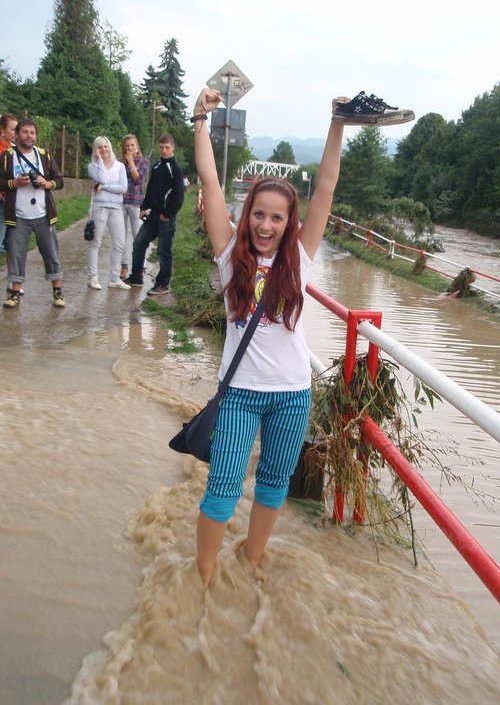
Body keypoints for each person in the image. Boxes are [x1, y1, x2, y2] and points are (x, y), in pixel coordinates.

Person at [192, 88, 346, 588]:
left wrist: (337, 121)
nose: (265, 224)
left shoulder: (298, 260)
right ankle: (204, 579)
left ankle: (252, 564)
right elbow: (210, 180)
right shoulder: (227, 253)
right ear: (246, 215)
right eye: (258, 214)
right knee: (221, 489)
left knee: (275, 485)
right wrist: (199, 118)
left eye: (277, 217)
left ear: (289, 223)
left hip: (292, 395)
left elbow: (324, 189)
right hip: (238, 395)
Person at [0, 118, 65, 308]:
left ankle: (58, 291)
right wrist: (14, 183)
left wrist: (48, 183)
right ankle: (15, 293)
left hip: (43, 214)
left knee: (51, 253)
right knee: (17, 254)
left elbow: (59, 180)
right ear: (18, 134)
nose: (29, 136)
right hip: (18, 215)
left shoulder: (43, 155)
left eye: (32, 133)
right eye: (25, 132)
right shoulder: (7, 156)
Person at [123, 134, 185, 295]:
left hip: (166, 218)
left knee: (164, 252)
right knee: (139, 243)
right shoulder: (157, 166)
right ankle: (136, 277)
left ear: (172, 147)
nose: (164, 150)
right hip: (152, 216)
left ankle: (163, 284)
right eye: (161, 147)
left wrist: (168, 214)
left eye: (167, 147)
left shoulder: (176, 169)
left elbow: (179, 196)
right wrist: (144, 207)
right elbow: (150, 190)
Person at [87, 136, 130, 290]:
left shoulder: (120, 166)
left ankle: (114, 278)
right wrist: (99, 161)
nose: (104, 150)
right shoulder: (92, 166)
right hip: (99, 207)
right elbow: (103, 178)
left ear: (110, 147)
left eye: (106, 146)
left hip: (116, 207)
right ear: (96, 150)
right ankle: (93, 277)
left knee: (120, 243)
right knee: (95, 242)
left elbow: (123, 187)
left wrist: (104, 187)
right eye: (100, 147)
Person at [118, 134, 149, 279]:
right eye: (127, 145)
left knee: (138, 235)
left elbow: (138, 180)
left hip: (136, 202)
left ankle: (140, 266)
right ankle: (123, 266)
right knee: (121, 235)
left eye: (132, 145)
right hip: (121, 202)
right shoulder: (119, 163)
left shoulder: (143, 162)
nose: (130, 148)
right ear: (124, 147)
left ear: (137, 147)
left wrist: (131, 163)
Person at [0, 113, 18, 271]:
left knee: (11, 244)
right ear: (2, 130)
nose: (16, 133)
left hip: (12, 202)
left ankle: (13, 280)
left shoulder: (14, 151)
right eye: (13, 129)